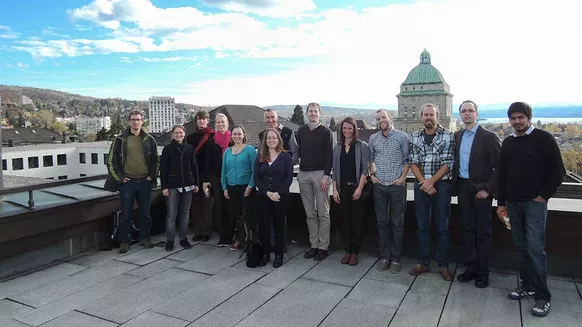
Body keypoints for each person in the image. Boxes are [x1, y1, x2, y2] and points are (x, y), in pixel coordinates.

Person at [496, 102, 565, 318]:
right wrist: (501, 203)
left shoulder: (544, 138)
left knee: (536, 250)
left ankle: (543, 297)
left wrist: (542, 196)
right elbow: (503, 174)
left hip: (534, 204)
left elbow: (558, 172)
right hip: (513, 204)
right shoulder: (508, 142)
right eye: (513, 118)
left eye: (521, 117)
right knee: (521, 248)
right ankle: (527, 286)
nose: (517, 121)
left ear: (529, 117)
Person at [451, 100, 501, 288]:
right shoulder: (457, 136)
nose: (467, 114)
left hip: (481, 190)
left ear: (476, 113)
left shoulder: (489, 137)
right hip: (463, 187)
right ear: (460, 115)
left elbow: (499, 166)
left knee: (483, 232)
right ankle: (471, 267)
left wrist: (487, 189)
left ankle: (483, 271)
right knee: (467, 229)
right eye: (463, 111)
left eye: (470, 110)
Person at [409, 103, 455, 281]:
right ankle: (423, 263)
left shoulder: (448, 135)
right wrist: (423, 182)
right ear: (421, 117)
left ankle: (443, 265)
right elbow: (413, 161)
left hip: (441, 186)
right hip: (421, 186)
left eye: (432, 115)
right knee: (422, 226)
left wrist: (431, 182)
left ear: (438, 117)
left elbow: (448, 163)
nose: (428, 117)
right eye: (425, 115)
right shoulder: (414, 136)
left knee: (442, 227)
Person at [104, 109, 159, 254]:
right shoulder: (120, 139)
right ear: (129, 121)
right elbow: (111, 162)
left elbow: (156, 161)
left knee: (145, 213)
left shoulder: (149, 139)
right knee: (126, 214)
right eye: (133, 119)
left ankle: (144, 238)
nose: (136, 122)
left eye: (138, 119)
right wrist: (121, 178)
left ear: (142, 121)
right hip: (128, 183)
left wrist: (152, 176)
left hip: (145, 182)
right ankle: (124, 241)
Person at [368, 109, 410, 274]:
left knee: (397, 223)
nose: (381, 120)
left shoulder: (402, 137)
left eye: (383, 117)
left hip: (396, 185)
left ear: (390, 118)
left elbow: (408, 160)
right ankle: (385, 256)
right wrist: (372, 175)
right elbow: (371, 159)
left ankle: (396, 259)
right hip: (379, 185)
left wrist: (403, 178)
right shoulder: (373, 138)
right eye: (378, 118)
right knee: (382, 222)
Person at [296, 102, 333, 261]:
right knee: (310, 213)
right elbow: (297, 152)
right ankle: (314, 245)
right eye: (310, 111)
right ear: (307, 113)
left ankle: (323, 246)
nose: (313, 113)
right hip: (304, 173)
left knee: (323, 213)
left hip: (320, 175)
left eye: (315, 111)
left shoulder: (326, 132)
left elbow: (330, 155)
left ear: (320, 113)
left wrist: (326, 175)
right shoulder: (301, 131)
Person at [259, 108, 299, 253]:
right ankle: (269, 243)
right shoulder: (262, 135)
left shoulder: (288, 131)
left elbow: (295, 152)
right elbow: (261, 157)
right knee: (267, 216)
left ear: (277, 118)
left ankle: (280, 244)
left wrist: (285, 164)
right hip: (267, 182)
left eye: (272, 117)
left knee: (281, 216)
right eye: (267, 118)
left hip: (283, 181)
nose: (270, 120)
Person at [332, 117, 370, 266]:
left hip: (356, 188)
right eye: (344, 128)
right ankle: (347, 250)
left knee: (356, 222)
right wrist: (334, 190)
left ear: (355, 129)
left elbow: (364, 169)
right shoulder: (337, 147)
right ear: (341, 130)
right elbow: (334, 170)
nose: (347, 131)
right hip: (342, 189)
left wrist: (360, 188)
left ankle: (355, 252)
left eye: (350, 128)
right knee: (345, 221)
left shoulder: (362, 146)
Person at [254, 128, 293, 268]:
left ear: (278, 140)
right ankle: (265, 254)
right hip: (264, 197)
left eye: (274, 138)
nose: (271, 140)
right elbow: (257, 178)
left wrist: (278, 193)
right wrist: (267, 193)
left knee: (279, 226)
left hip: (280, 198)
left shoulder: (286, 156)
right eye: (269, 138)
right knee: (264, 226)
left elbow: (288, 178)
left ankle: (278, 254)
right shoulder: (260, 157)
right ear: (265, 141)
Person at [160, 125, 200, 251]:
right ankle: (170, 240)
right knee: (172, 214)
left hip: (188, 185)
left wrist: (196, 183)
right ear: (173, 134)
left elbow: (194, 167)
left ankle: (183, 238)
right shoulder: (167, 149)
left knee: (185, 213)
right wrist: (164, 187)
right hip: (172, 186)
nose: (179, 135)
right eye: (176, 133)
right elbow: (163, 169)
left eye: (181, 133)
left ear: (184, 134)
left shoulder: (189, 148)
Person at [221, 124, 257, 249]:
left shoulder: (250, 150)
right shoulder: (227, 151)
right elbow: (223, 171)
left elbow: (255, 170)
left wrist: (250, 186)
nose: (237, 136)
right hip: (231, 188)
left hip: (246, 187)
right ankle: (239, 239)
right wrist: (224, 187)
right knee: (235, 215)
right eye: (234, 134)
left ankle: (250, 239)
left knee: (247, 214)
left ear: (243, 135)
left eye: (239, 134)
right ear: (231, 136)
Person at [186, 110, 218, 242]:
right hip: (194, 177)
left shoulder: (213, 137)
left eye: (203, 119)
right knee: (195, 204)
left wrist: (207, 179)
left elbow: (213, 160)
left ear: (207, 121)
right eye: (199, 119)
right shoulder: (190, 138)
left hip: (207, 178)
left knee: (207, 204)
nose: (201, 121)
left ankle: (206, 231)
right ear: (196, 121)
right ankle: (197, 230)